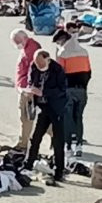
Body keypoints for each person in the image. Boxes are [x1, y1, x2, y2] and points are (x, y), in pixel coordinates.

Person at [24, 49, 67, 186]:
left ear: (47, 59)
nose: (38, 67)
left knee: (58, 140)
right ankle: (29, 164)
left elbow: (62, 90)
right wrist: (31, 89)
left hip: (56, 107)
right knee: (35, 136)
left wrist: (44, 92)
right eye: (37, 64)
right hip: (42, 107)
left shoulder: (57, 69)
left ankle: (59, 169)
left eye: (41, 64)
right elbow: (31, 80)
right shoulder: (34, 65)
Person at [53, 28, 91, 157]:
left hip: (68, 90)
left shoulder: (63, 54)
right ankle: (79, 146)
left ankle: (68, 147)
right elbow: (89, 72)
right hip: (82, 89)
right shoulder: (84, 52)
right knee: (79, 117)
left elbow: (59, 74)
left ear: (61, 40)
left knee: (67, 119)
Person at [11, 29, 41, 151]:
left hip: (27, 89)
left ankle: (23, 144)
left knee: (26, 117)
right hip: (25, 87)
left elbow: (33, 71)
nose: (16, 44)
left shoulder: (31, 50)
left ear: (23, 38)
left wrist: (27, 89)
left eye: (17, 41)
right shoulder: (30, 47)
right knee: (33, 117)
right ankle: (56, 137)